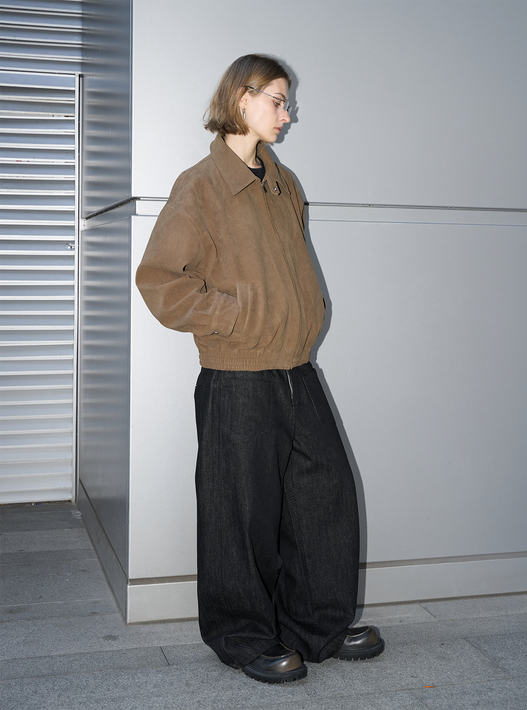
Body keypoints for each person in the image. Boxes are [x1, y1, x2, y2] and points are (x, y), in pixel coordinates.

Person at [136, 53, 384, 684]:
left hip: (296, 367)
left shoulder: (282, 182)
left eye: (286, 101)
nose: (286, 113)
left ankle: (318, 624)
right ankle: (243, 635)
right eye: (277, 99)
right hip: (239, 373)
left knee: (322, 497)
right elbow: (160, 280)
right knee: (240, 512)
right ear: (240, 99)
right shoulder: (202, 185)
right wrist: (235, 314)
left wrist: (308, 311)